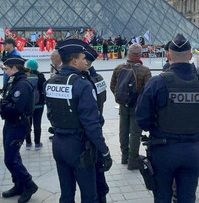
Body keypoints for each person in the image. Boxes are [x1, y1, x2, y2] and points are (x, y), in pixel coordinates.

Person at [44, 39, 112, 202]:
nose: (85, 61)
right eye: (82, 58)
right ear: (74, 60)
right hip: (79, 147)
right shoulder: (82, 85)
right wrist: (104, 151)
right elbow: (91, 124)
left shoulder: (50, 83)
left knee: (66, 194)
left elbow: (51, 114)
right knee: (89, 196)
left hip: (59, 144)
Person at [136, 34, 199, 203]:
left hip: (163, 149)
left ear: (168, 55)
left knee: (162, 197)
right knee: (187, 197)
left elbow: (142, 119)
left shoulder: (157, 83)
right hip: (193, 150)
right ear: (191, 56)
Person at [0, 55, 38, 203]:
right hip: (10, 123)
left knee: (10, 160)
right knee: (14, 156)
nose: (6, 72)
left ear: (14, 68)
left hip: (18, 124)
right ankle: (18, 184)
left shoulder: (22, 85)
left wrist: (1, 106)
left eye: (7, 69)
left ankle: (29, 184)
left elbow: (16, 108)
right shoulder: (13, 81)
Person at [110, 43, 151, 170]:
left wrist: (122, 99)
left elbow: (113, 86)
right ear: (140, 55)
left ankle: (124, 157)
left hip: (123, 106)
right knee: (135, 133)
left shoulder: (119, 68)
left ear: (129, 54)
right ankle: (132, 161)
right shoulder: (145, 70)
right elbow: (149, 91)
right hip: (137, 107)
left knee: (123, 131)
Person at [82, 45, 109, 203]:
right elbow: (103, 99)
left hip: (90, 130)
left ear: (86, 62)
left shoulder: (85, 80)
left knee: (94, 170)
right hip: (98, 125)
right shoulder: (98, 78)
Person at [25, 59, 46, 151]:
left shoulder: (25, 76)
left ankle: (28, 143)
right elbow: (44, 90)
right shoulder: (41, 77)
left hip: (27, 105)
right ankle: (37, 143)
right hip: (39, 105)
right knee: (37, 124)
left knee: (27, 124)